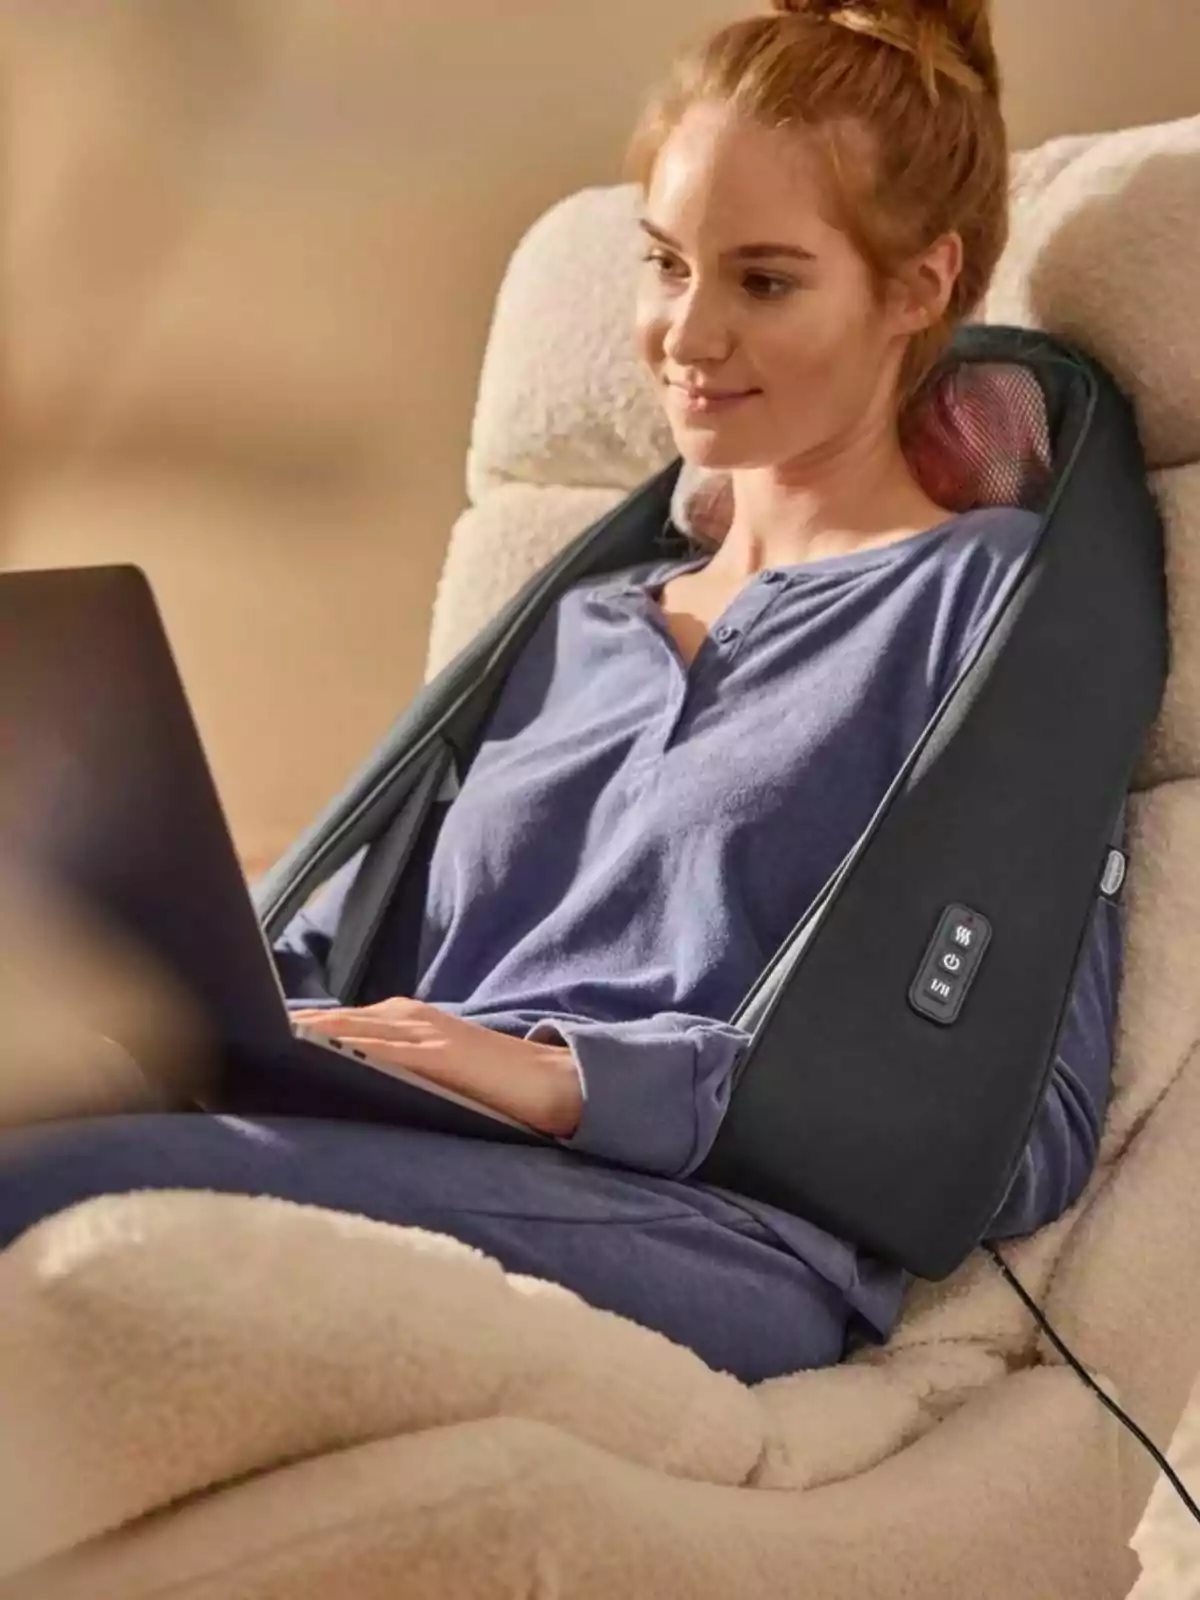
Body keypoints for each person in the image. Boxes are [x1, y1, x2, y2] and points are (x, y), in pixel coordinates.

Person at [0, 0, 1123, 1385]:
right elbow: (354, 978)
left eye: (763, 282)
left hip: (716, 1231)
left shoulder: (978, 607)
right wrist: (158, 987)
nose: (684, 336)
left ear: (916, 287)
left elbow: (1031, 1123)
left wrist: (571, 1076)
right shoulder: (582, 622)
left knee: (59, 1197)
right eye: (664, 265)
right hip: (409, 1145)